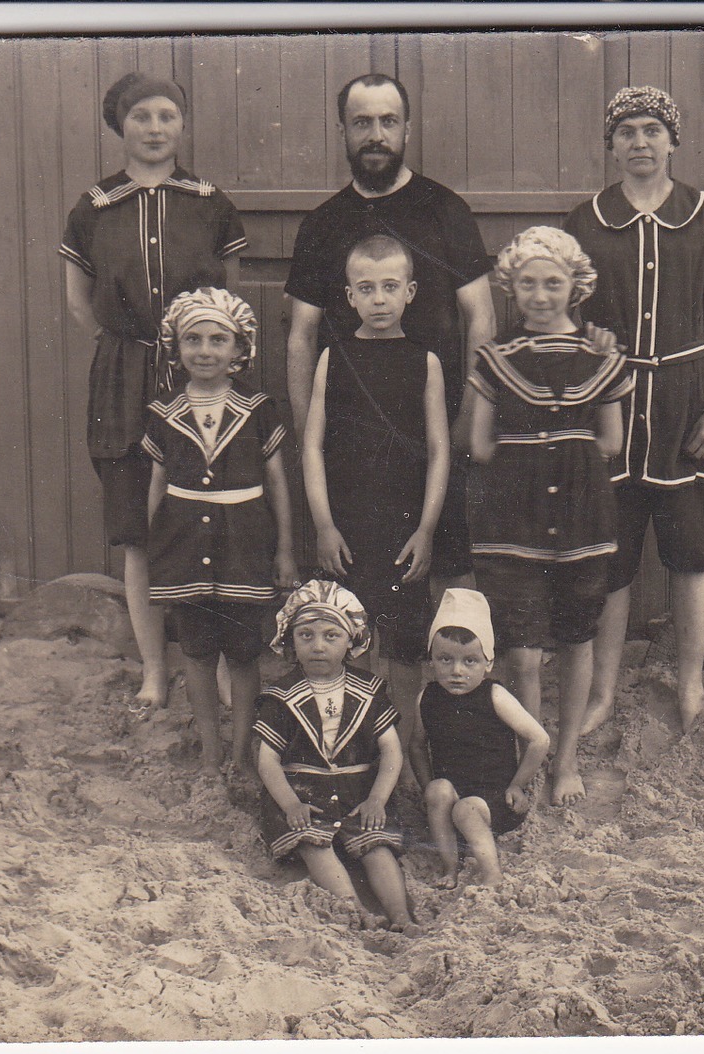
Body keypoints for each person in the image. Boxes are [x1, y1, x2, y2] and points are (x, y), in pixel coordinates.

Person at [563, 87, 704, 735]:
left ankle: (691, 681)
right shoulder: (584, 223)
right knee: (610, 561)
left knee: (691, 554)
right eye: (625, 132)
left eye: (651, 130)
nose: (639, 142)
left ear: (673, 140)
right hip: (612, 411)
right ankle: (602, 693)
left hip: (687, 404)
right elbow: (568, 327)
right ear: (609, 145)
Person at [61, 72, 249, 710]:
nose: (155, 128)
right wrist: (132, 350)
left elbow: (229, 299)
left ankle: (221, 667)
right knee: (138, 526)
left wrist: (192, 353)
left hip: (203, 375)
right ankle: (152, 667)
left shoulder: (209, 203)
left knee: (212, 518)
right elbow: (79, 304)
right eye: (141, 116)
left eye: (167, 115)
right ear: (120, 125)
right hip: (125, 379)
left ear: (182, 125)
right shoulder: (93, 207)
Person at [285, 74, 495, 590]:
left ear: (407, 129)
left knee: (449, 568)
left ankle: (453, 672)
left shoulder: (445, 210)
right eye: (362, 122)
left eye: (387, 121)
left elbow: (483, 320)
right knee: (357, 579)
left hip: (435, 430)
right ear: (343, 131)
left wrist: (468, 417)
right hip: (353, 440)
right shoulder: (322, 224)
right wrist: (310, 429)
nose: (375, 134)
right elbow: (300, 336)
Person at [465, 226, 631, 806]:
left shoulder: (602, 357)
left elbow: (612, 440)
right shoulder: (494, 360)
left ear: (575, 287)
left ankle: (566, 764)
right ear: (510, 287)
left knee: (576, 640)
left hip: (584, 524)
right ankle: (527, 764)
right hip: (513, 529)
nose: (540, 295)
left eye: (553, 283)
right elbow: (479, 446)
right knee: (523, 653)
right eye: (528, 283)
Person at [303, 234, 450, 752]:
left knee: (406, 650)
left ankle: (404, 752)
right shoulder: (332, 358)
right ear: (349, 297)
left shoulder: (424, 361)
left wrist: (427, 530)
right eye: (366, 288)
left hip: (405, 526)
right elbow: (313, 447)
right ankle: (355, 751)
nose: (379, 299)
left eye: (390, 287)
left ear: (410, 291)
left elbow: (439, 450)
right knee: (350, 641)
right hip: (346, 525)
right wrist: (323, 524)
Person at [142, 290, 297, 774]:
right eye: (193, 339)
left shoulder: (257, 407)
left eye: (217, 340)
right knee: (197, 653)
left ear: (239, 349)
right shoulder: (163, 411)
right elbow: (157, 485)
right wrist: (156, 549)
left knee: (243, 653)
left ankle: (241, 755)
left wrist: (286, 550)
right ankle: (211, 754)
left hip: (244, 546)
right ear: (176, 346)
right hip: (184, 546)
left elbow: (276, 482)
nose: (204, 350)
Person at [254, 580, 415, 931]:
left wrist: (377, 799)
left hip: (359, 788)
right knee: (315, 843)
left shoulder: (369, 689)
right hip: (303, 791)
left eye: (331, 636)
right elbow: (267, 760)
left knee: (375, 845)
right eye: (305, 635)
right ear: (290, 641)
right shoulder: (281, 695)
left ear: (351, 641)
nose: (317, 646)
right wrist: (290, 804)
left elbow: (391, 750)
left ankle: (401, 915)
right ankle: (357, 911)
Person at [410, 588, 550, 888]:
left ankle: (491, 873)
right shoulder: (427, 697)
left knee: (467, 809)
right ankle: (450, 867)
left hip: (496, 802)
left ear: (488, 662)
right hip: (450, 801)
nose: (457, 671)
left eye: (470, 661)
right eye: (445, 660)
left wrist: (518, 785)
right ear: (431, 661)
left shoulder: (495, 696)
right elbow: (417, 745)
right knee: (438, 790)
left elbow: (539, 740)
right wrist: (425, 789)